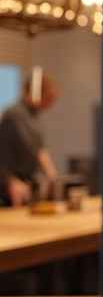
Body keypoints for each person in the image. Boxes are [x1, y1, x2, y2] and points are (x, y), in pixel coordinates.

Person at [0, 73, 60, 207]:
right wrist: (51, 174)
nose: (50, 105)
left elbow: (39, 146)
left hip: (22, 181)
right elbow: (33, 148)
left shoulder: (34, 116)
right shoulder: (16, 113)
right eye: (49, 98)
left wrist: (51, 176)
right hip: (8, 182)